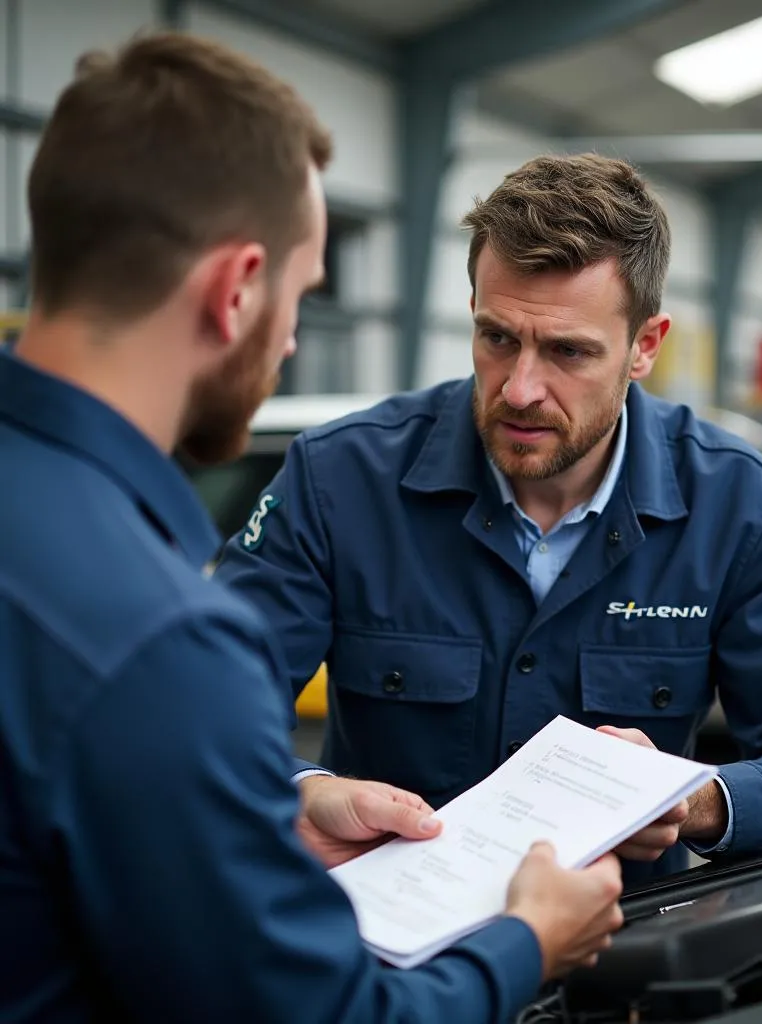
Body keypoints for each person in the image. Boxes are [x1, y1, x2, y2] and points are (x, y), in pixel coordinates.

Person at [0, 33, 627, 1024]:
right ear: (237, 287)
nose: (291, 338)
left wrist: (284, 799)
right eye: (300, 295)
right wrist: (525, 940)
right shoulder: (155, 638)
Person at [215, 153, 762, 890]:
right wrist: (303, 793)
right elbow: (201, 712)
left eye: (568, 351)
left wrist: (693, 799)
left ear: (645, 346)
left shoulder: (740, 506)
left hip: (625, 960)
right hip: (392, 964)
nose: (521, 388)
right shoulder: (338, 480)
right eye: (497, 337)